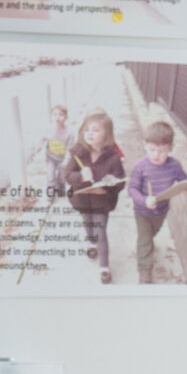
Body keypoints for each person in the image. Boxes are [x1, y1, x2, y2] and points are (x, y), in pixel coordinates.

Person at [58, 108, 125, 285]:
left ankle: (104, 267)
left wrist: (107, 189)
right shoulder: (78, 152)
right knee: (87, 223)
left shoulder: (113, 157)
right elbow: (67, 175)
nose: (90, 133)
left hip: (102, 201)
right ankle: (91, 243)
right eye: (87, 129)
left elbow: (120, 180)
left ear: (107, 134)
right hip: (82, 199)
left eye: (95, 130)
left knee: (100, 230)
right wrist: (80, 177)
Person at [127, 117, 187, 285]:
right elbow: (132, 189)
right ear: (145, 146)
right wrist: (144, 200)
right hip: (142, 211)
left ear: (170, 148)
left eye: (162, 151)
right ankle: (144, 273)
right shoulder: (140, 166)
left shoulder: (174, 165)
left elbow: (184, 181)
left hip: (162, 210)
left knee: (152, 234)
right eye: (152, 149)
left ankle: (148, 244)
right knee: (145, 239)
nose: (156, 155)